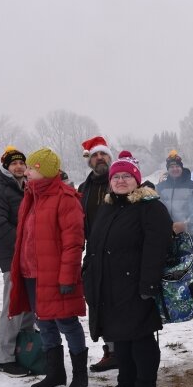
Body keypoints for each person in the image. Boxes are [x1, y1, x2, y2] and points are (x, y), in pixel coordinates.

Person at [83, 151, 171, 387]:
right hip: (107, 286)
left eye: (126, 176)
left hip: (136, 287)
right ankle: (126, 384)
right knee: (119, 339)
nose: (121, 180)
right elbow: (95, 245)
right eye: (116, 177)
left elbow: (157, 248)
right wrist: (87, 271)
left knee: (140, 340)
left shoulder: (150, 207)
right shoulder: (108, 207)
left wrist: (148, 285)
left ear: (137, 180)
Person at [8, 147, 88, 387]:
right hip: (30, 274)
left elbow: (73, 243)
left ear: (45, 171)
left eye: (31, 168)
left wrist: (67, 276)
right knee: (44, 324)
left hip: (55, 276)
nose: (27, 171)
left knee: (67, 323)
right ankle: (55, 373)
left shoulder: (66, 199)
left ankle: (80, 375)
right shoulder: (30, 197)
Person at [0, 146, 38, 377]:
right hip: (12, 258)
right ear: (6, 166)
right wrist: (21, 246)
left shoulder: (25, 187)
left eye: (21, 163)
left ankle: (24, 351)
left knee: (28, 307)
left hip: (29, 257)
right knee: (13, 307)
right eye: (13, 163)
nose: (18, 166)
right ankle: (4, 359)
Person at [77, 136, 118, 373]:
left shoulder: (120, 180)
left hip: (119, 255)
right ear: (90, 161)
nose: (99, 158)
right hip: (94, 255)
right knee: (98, 304)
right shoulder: (84, 188)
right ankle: (110, 351)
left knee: (120, 304)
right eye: (95, 155)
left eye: (103, 154)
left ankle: (124, 350)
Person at [155, 150, 193, 240]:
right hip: (165, 234)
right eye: (171, 167)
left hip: (187, 233)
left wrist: (187, 224)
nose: (175, 169)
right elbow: (155, 209)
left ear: (181, 168)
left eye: (177, 166)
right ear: (168, 169)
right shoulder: (160, 188)